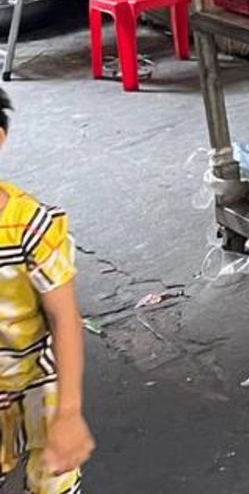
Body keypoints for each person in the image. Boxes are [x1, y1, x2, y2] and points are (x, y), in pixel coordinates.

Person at [0, 93, 90, 492]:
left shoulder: (31, 226)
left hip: (38, 376)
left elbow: (64, 318)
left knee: (54, 480)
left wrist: (69, 412)